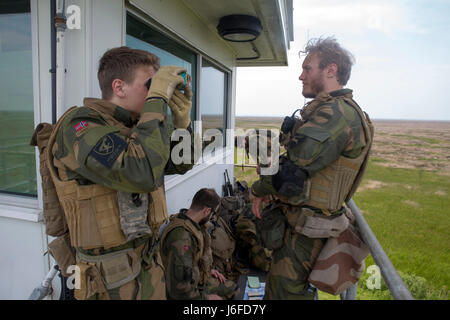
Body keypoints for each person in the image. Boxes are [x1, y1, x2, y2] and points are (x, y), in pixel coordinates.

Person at [46, 46, 195, 300]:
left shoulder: (137, 128)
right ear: (119, 87)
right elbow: (140, 172)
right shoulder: (80, 126)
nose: (155, 94)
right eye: (149, 85)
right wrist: (156, 102)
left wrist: (182, 126)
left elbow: (181, 163)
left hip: (148, 271)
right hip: (108, 285)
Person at [248, 37, 374, 299]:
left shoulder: (336, 114)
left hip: (307, 232)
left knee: (284, 294)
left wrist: (258, 189)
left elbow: (291, 172)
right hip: (304, 225)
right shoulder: (333, 111)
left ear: (331, 70)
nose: (301, 76)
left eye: (308, 68)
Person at [160, 188, 238, 300]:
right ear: (206, 211)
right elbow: (179, 290)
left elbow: (192, 262)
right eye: (213, 213)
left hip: (197, 280)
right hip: (186, 293)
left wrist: (207, 270)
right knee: (232, 294)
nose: (212, 217)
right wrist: (206, 298)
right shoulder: (182, 239)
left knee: (234, 289)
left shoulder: (190, 222)